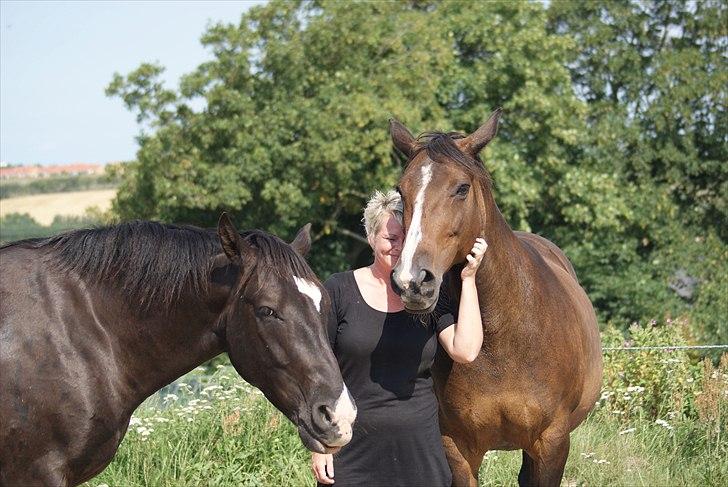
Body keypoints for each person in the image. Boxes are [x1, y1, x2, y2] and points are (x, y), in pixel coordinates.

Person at [312, 189, 486, 486]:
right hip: (351, 451)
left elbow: (465, 350)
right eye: (390, 239)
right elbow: (317, 368)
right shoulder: (339, 290)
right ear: (370, 237)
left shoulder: (427, 294)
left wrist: (468, 279)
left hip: (420, 454)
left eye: (405, 238)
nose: (398, 247)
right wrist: (320, 443)